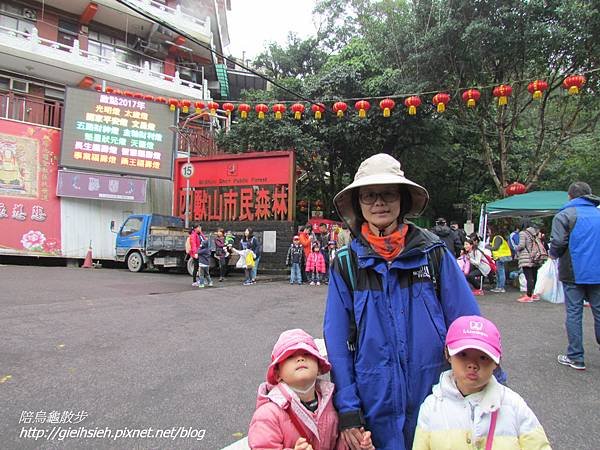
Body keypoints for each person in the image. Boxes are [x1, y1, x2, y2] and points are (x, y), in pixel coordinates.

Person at [323, 153, 480, 450]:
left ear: (402, 200)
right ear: (358, 203)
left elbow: (469, 326)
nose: (379, 202)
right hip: (373, 402)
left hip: (436, 396)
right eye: (369, 195)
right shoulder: (346, 264)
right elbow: (337, 342)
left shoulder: (432, 253)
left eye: (388, 193)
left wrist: (486, 386)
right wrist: (348, 410)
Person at [413, 315, 551, 450]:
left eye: (483, 357)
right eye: (463, 354)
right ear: (448, 354)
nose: (473, 365)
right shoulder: (431, 407)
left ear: (496, 363)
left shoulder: (514, 405)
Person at [248, 329, 373, 450]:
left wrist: (357, 444)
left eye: (307, 354)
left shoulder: (331, 404)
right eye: (290, 356)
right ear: (277, 374)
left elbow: (336, 444)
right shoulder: (268, 414)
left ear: (319, 367)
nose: (300, 358)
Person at [550, 181, 600, 371]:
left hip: (573, 272)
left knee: (574, 313)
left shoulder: (565, 215)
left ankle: (576, 357)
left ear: (570, 196)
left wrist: (553, 254)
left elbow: (558, 242)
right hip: (598, 272)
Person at [516, 224, 542, 303]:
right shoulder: (534, 233)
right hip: (535, 257)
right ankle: (534, 294)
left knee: (529, 277)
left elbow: (522, 245)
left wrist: (516, 248)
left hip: (526, 257)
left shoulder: (522, 233)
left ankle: (528, 295)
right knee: (534, 276)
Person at [487, 227, 513, 293]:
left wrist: (487, 247)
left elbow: (495, 248)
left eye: (489, 230)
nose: (488, 232)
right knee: (499, 272)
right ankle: (499, 286)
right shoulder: (499, 238)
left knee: (500, 272)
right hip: (499, 257)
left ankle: (501, 287)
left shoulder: (497, 238)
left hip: (500, 257)